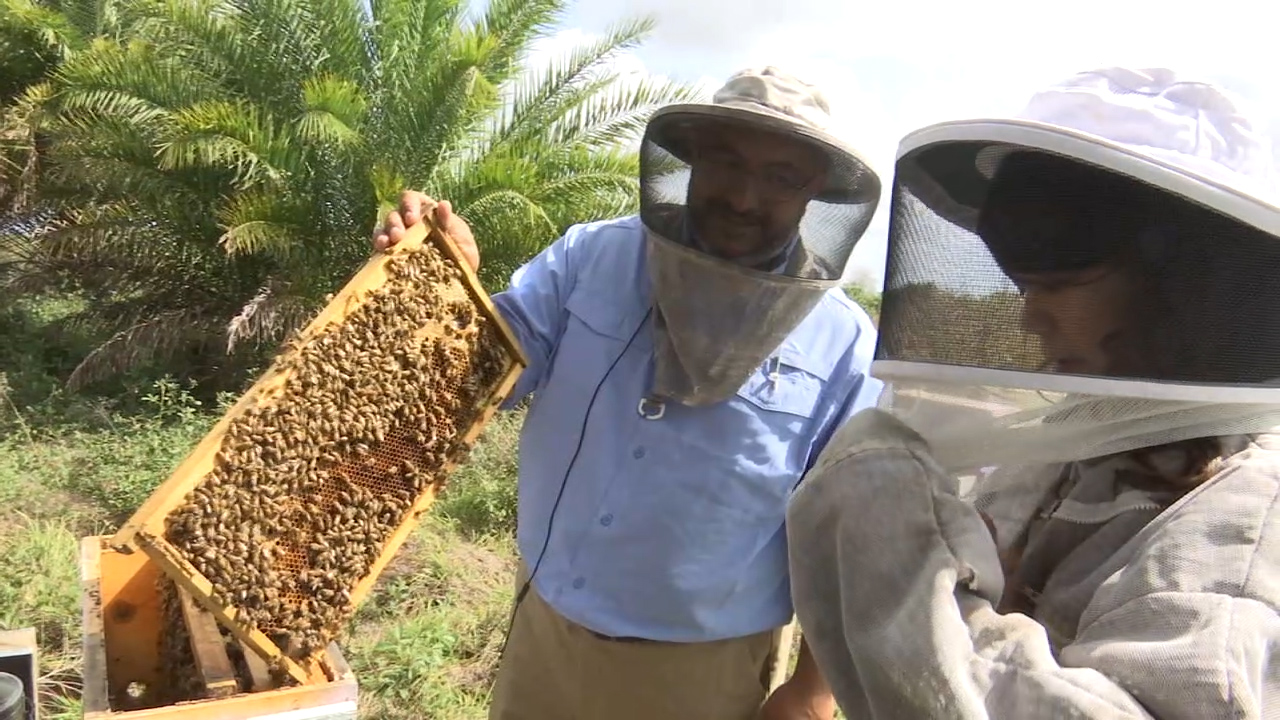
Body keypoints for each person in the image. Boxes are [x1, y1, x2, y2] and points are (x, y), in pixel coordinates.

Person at [373, 66, 885, 719]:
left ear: (816, 191)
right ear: (692, 155)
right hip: (545, 626)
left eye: (782, 177)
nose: (745, 198)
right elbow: (483, 377)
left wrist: (812, 694)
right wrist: (437, 282)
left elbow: (852, 536)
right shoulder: (592, 256)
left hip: (700, 672)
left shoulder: (842, 344)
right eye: (726, 161)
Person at [785, 66, 1280, 718]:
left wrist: (892, 540)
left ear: (1186, 285)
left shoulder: (1244, 514)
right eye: (1024, 285)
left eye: (1059, 284)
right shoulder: (1064, 445)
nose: (1029, 318)